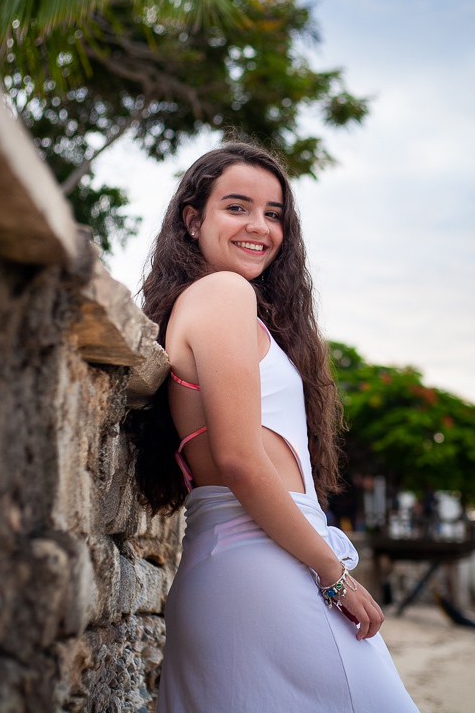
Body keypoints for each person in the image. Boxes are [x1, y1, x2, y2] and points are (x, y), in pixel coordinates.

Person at [127, 143, 419, 713]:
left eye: (274, 213)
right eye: (237, 207)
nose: (259, 226)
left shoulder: (207, 303)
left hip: (240, 566)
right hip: (266, 570)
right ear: (193, 219)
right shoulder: (222, 293)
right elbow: (239, 458)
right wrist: (335, 576)